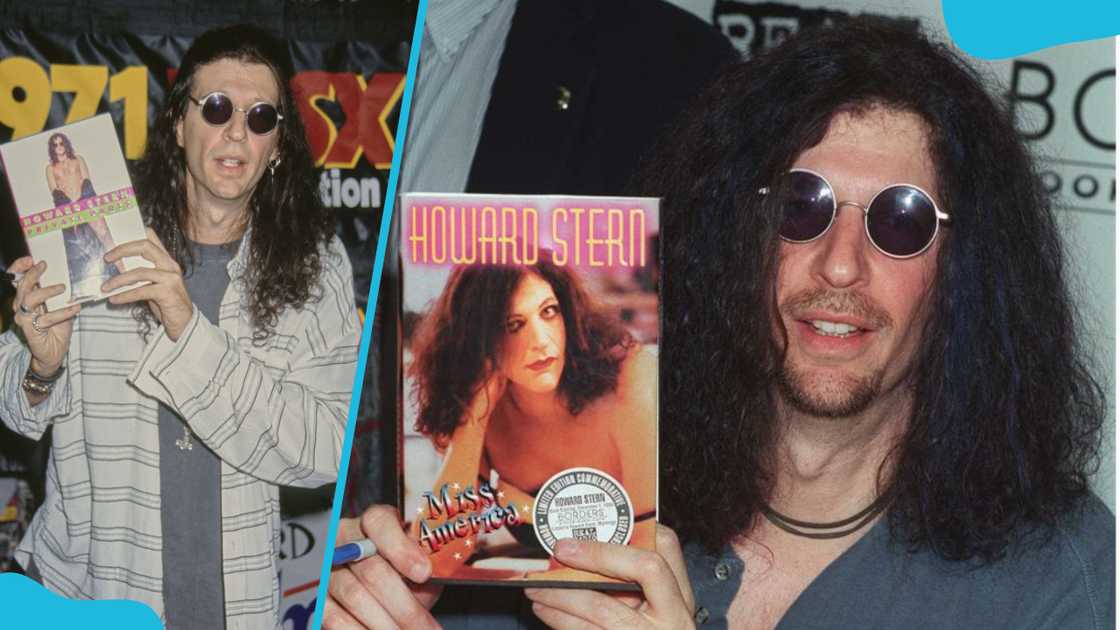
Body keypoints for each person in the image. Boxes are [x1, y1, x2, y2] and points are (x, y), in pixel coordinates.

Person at [324, 17, 1113, 630]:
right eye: (802, 207)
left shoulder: (1059, 575)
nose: (841, 266)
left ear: (967, 267)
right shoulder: (607, 499)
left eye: (899, 222)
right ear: (736, 232)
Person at [1, 24, 360, 627]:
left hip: (235, 610)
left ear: (277, 146)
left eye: (261, 117)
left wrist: (185, 326)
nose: (236, 132)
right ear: (177, 125)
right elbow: (17, 407)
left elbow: (327, 451)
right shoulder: (99, 237)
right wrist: (41, 367)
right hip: (89, 599)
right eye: (217, 108)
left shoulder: (315, 265)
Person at [406, 255, 657, 578]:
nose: (542, 341)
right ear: (480, 340)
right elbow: (431, 562)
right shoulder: (484, 410)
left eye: (549, 312)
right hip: (550, 597)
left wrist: (527, 510)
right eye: (514, 325)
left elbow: (645, 555)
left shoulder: (630, 376)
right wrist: (473, 420)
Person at [44, 132, 119, 298]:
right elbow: (54, 190)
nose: (59, 148)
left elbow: (86, 179)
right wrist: (69, 207)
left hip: (86, 202)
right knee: (74, 244)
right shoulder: (50, 168)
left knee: (105, 235)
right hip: (67, 208)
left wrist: (84, 203)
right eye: (55, 145)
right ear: (52, 148)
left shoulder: (78, 159)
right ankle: (80, 288)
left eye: (61, 143)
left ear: (66, 144)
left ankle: (121, 272)